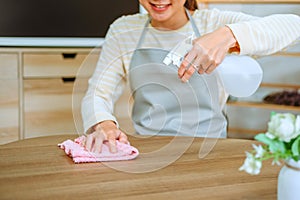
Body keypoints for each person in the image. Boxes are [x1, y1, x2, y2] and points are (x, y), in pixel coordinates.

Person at [81, 0, 300, 153]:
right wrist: (104, 123)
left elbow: (294, 26)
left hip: (212, 150)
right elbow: (98, 93)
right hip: (149, 152)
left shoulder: (212, 23)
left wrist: (228, 36)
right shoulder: (124, 30)